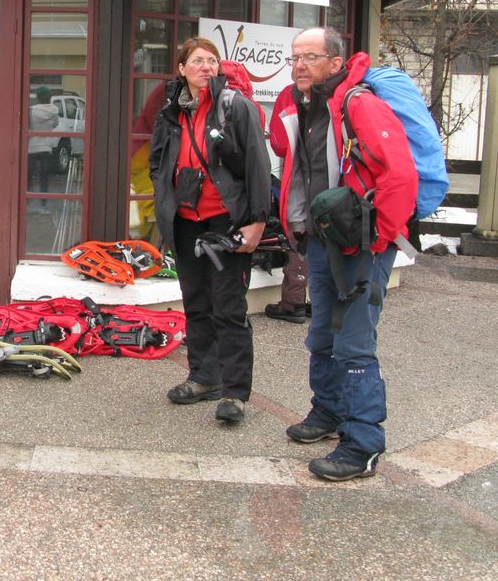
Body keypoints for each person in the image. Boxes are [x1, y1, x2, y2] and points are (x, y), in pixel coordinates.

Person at [273, 26, 416, 482]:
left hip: (363, 246)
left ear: (335, 63)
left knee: (355, 343)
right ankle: (328, 412)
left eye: (310, 57)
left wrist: (378, 240)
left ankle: (363, 443)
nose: (299, 65)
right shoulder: (307, 108)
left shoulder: (359, 104)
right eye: (295, 57)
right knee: (322, 335)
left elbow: (401, 176)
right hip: (323, 241)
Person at [149, 38, 271, 424]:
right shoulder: (171, 112)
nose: (206, 67)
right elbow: (157, 161)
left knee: (229, 308)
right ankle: (204, 377)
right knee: (196, 304)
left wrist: (257, 222)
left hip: (226, 222)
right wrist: (166, 199)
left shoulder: (236, 107)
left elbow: (256, 165)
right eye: (197, 61)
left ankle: (235, 393)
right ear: (182, 68)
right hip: (185, 222)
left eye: (212, 61)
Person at [266, 85, 310, 324]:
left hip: (299, 174)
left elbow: (279, 144)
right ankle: (320, 300)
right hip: (333, 181)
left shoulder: (290, 93)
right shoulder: (341, 93)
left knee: (298, 233)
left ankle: (294, 303)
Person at [27, 86, 59, 212]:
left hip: (31, 147)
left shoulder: (31, 111)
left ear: (38, 98)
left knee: (28, 176)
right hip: (46, 147)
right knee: (44, 178)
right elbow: (55, 124)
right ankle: (43, 205)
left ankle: (27, 203)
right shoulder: (54, 111)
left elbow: (27, 125)